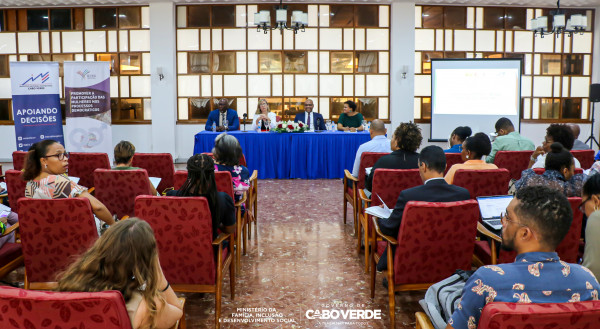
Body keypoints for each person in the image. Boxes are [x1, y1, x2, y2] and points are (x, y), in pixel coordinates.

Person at [447, 185, 600, 329]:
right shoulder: (588, 281)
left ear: (524, 233)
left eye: (507, 217)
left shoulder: (486, 281)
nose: (503, 222)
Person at [57, 219, 183, 329]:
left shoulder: (70, 287)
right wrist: (159, 276)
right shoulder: (148, 305)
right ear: (147, 261)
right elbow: (177, 311)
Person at [376, 146, 470, 271]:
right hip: (450, 260)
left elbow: (389, 228)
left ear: (423, 166)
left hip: (413, 263)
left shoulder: (409, 195)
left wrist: (380, 217)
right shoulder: (463, 194)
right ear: (445, 166)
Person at [23, 140, 115, 228]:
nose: (65, 159)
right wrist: (114, 226)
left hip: (50, 237)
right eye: (59, 155)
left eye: (65, 154)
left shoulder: (30, 183)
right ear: (44, 161)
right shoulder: (60, 182)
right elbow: (98, 207)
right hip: (80, 236)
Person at [166, 154, 236, 239]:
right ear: (212, 173)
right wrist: (218, 223)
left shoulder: (172, 196)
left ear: (189, 173)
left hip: (177, 248)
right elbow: (230, 229)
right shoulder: (223, 199)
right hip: (210, 249)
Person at [364, 122, 422, 195]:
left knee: (364, 192)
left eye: (392, 137)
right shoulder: (423, 162)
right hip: (413, 203)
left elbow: (370, 186)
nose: (391, 140)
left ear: (397, 140)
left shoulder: (383, 161)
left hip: (385, 205)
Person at [516, 143, 586, 197]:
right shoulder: (572, 187)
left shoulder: (528, 181)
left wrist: (533, 159)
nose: (573, 174)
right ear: (565, 171)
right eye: (573, 170)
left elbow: (527, 173)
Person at [212, 133, 250, 202]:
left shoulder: (210, 168)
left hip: (210, 208)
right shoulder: (243, 171)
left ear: (217, 152)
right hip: (235, 208)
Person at [582, 174, 600, 279]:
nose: (583, 212)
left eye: (583, 206)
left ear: (595, 201)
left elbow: (593, 273)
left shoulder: (596, 217)